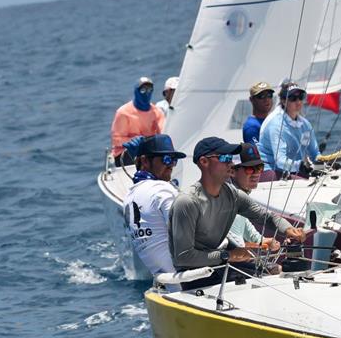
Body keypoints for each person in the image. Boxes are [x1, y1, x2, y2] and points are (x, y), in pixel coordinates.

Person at [169, 136, 305, 289]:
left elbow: (267, 216)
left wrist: (288, 229)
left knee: (280, 275)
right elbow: (183, 258)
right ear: (204, 162)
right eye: (225, 158)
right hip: (198, 279)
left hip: (223, 269)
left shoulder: (232, 195)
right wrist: (228, 255)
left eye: (231, 158)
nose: (231, 163)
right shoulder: (187, 202)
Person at [122, 134, 186, 285]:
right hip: (189, 280)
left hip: (166, 282)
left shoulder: (129, 197)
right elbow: (187, 232)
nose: (171, 165)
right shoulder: (162, 189)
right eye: (166, 159)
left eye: (174, 160)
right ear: (144, 161)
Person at [257, 82, 321, 179]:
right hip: (269, 169)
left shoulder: (305, 125)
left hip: (292, 170)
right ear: (283, 101)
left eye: (301, 97)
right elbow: (280, 160)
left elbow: (314, 153)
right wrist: (300, 166)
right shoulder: (277, 125)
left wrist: (324, 165)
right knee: (306, 182)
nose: (298, 101)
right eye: (293, 98)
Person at [227, 143, 280, 253]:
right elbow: (236, 246)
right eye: (250, 169)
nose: (256, 173)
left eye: (259, 168)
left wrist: (262, 240)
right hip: (226, 264)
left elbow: (246, 226)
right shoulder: (229, 199)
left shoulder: (241, 197)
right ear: (232, 171)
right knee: (276, 268)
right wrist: (261, 245)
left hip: (236, 260)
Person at [110, 77, 165, 166]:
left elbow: (163, 132)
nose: (146, 93)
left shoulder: (157, 112)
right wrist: (133, 141)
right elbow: (116, 140)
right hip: (126, 152)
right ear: (136, 91)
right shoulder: (123, 112)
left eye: (150, 90)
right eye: (143, 90)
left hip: (149, 151)